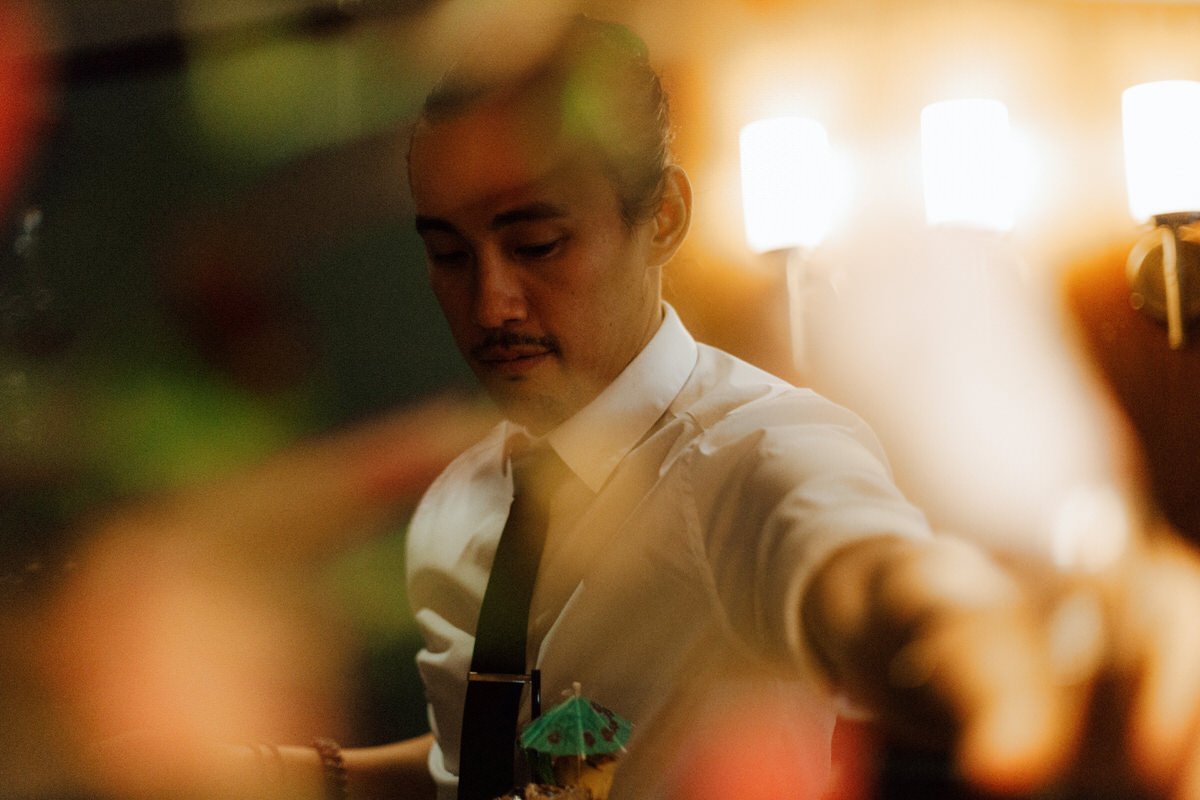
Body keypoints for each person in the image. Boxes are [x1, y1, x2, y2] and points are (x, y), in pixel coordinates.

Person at [67, 13, 1200, 800]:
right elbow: (511, 766)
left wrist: (993, 646)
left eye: (538, 241)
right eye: (449, 254)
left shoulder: (757, 453)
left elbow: (866, 581)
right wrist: (292, 771)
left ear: (662, 219)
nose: (492, 300)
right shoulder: (468, 509)